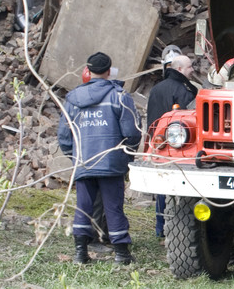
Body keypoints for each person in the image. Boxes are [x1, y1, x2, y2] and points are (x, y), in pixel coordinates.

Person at [58, 52, 142, 265]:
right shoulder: (119, 96)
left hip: (84, 161)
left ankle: (80, 254)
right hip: (111, 163)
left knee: (83, 206)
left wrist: (75, 156)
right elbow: (132, 132)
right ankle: (121, 255)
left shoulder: (72, 99)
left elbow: (64, 136)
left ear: (88, 70)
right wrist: (125, 155)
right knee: (113, 207)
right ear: (108, 71)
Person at [146, 49, 198, 237]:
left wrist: (153, 140)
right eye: (190, 66)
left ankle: (160, 227)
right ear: (180, 69)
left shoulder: (156, 89)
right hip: (181, 148)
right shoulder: (185, 90)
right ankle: (183, 227)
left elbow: (151, 119)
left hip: (159, 145)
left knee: (161, 188)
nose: (193, 70)